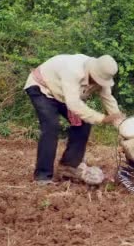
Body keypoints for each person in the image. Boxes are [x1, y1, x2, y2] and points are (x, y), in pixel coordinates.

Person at [24, 54, 125, 185]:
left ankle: (68, 166)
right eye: (96, 79)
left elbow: (109, 101)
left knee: (83, 124)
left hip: (62, 95)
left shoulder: (103, 75)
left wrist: (123, 128)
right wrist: (102, 118)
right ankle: (43, 176)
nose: (98, 83)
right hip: (42, 88)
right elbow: (73, 104)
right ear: (92, 72)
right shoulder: (73, 70)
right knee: (51, 126)